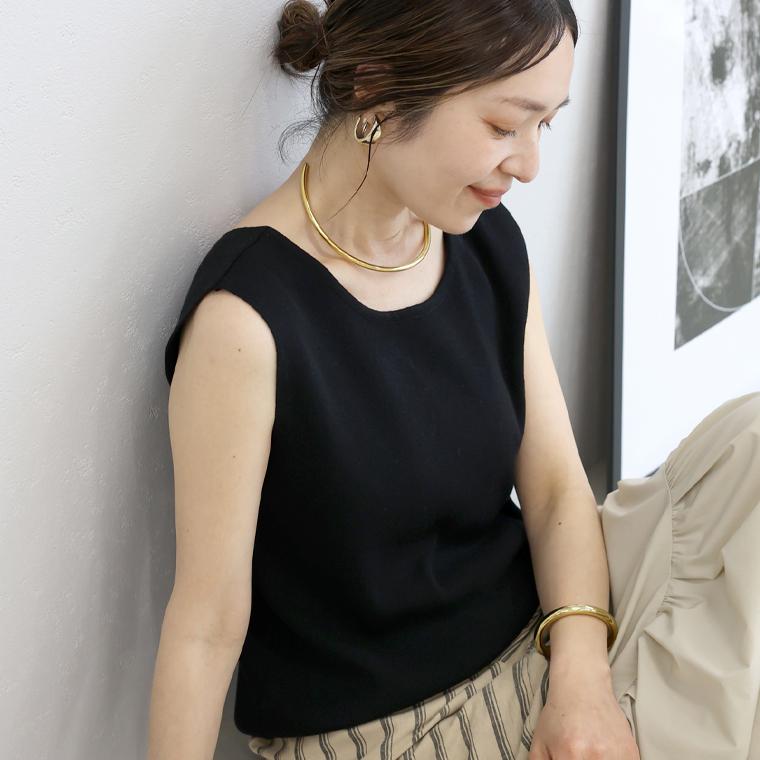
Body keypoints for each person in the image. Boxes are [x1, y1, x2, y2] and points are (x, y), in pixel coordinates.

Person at [147, 1, 760, 759]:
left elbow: (557, 492)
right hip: (396, 730)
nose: (529, 165)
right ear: (377, 89)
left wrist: (580, 683)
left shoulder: (484, 240)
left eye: (544, 125)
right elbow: (207, 627)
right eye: (504, 126)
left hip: (548, 636)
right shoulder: (247, 318)